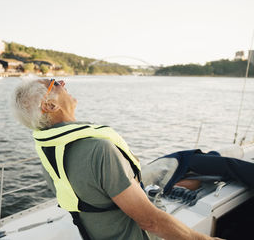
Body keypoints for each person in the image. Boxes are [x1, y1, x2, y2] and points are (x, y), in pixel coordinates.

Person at [12, 78, 222, 240]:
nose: (64, 83)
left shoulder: (49, 153)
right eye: (56, 83)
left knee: (184, 181)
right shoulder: (98, 149)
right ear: (49, 106)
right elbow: (150, 221)